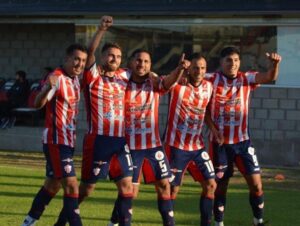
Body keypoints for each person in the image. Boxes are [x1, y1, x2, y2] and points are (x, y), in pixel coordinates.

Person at [54, 16, 134, 226]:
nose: (114, 59)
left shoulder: (125, 75)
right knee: (86, 189)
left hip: (120, 141)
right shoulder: (93, 76)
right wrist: (100, 30)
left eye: (118, 56)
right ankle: (61, 222)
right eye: (110, 55)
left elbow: (145, 74)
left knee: (127, 187)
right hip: (97, 141)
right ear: (102, 57)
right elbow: (89, 55)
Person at [108, 49, 189, 226]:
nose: (142, 65)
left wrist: (179, 69)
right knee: (130, 192)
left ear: (150, 65)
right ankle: (115, 222)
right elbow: (110, 71)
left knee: (164, 186)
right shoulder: (121, 82)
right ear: (130, 62)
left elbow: (168, 82)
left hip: (153, 146)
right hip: (129, 148)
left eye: (146, 62)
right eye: (138, 60)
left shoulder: (155, 83)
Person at [205, 46, 281, 226]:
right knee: (221, 185)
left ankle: (258, 220)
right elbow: (204, 108)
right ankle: (219, 222)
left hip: (243, 143)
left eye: (236, 60)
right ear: (221, 63)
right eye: (229, 60)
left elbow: (270, 77)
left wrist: (275, 65)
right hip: (219, 145)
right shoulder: (210, 80)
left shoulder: (246, 78)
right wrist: (211, 126)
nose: (233, 64)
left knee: (256, 184)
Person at [21, 43, 88, 226]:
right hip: (56, 140)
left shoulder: (74, 79)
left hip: (67, 141)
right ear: (66, 59)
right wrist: (44, 90)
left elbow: (88, 54)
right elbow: (37, 104)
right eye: (76, 59)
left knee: (52, 185)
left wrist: (99, 30)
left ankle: (27, 223)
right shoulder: (56, 77)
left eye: (82, 60)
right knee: (72, 186)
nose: (80, 64)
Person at [164, 53, 223, 226]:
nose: (199, 71)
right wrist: (178, 71)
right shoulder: (176, 85)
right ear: (189, 69)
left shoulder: (208, 87)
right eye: (196, 67)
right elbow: (159, 79)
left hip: (197, 147)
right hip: (176, 146)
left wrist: (214, 130)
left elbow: (204, 113)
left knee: (211, 185)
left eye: (203, 68)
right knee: (173, 189)